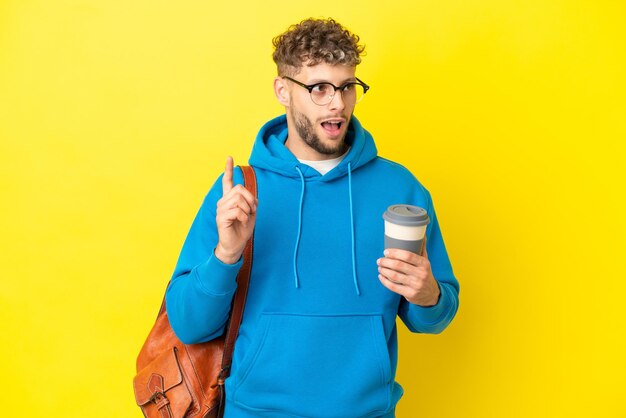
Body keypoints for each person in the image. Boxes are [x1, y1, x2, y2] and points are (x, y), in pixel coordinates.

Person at [166, 17, 460, 418]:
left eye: (346, 87)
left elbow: (435, 318)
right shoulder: (240, 192)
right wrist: (226, 254)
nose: (337, 103)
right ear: (283, 91)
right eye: (319, 88)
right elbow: (189, 325)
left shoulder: (400, 190)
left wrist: (429, 295)